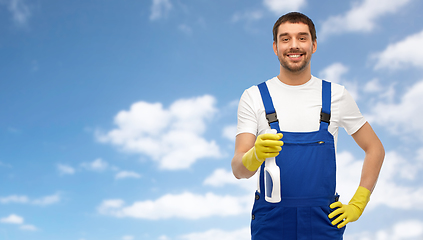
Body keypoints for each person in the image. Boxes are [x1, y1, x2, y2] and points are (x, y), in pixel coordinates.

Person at [231, 12, 385, 239]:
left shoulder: (336, 95)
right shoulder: (253, 97)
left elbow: (375, 148)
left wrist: (358, 203)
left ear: (313, 45)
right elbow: (238, 170)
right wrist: (254, 155)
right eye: (285, 39)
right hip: (270, 220)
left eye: (302, 38)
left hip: (323, 219)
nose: (294, 45)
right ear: (275, 47)